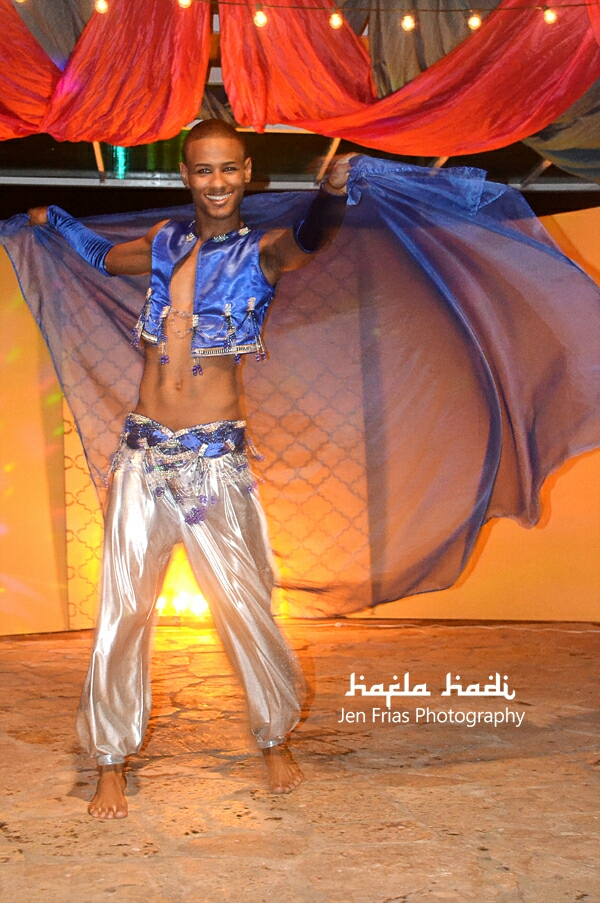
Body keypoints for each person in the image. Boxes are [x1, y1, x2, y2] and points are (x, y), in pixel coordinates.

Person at [27, 119, 353, 819]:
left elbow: (308, 241)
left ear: (248, 172)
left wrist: (328, 196)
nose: (217, 182)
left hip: (212, 470)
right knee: (123, 608)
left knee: (243, 603)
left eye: (228, 168)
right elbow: (99, 257)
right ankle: (110, 758)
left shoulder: (260, 251)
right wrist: (56, 218)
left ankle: (273, 737)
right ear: (186, 175)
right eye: (203, 169)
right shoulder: (164, 243)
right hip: (143, 459)